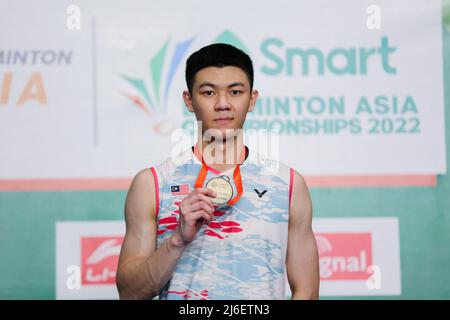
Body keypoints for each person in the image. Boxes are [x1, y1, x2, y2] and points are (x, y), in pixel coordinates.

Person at [116, 43, 319, 300]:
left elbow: (307, 291)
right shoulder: (152, 183)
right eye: (209, 92)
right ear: (189, 101)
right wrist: (177, 240)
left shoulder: (288, 183)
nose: (223, 104)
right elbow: (130, 294)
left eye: (235, 91)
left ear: (252, 99)